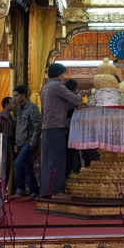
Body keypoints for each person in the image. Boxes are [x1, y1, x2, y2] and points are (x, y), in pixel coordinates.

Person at [40, 64, 88, 199]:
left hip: (48, 127)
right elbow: (74, 99)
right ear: (60, 73)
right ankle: (56, 192)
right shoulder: (57, 86)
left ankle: (46, 190)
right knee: (58, 159)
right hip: (56, 126)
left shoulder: (46, 87)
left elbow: (64, 105)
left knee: (48, 160)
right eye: (64, 74)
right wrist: (83, 93)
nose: (64, 77)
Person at [13, 85, 41, 199]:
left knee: (18, 163)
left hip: (28, 142)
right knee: (27, 166)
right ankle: (33, 191)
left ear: (23, 95)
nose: (15, 98)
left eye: (17, 95)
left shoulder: (32, 108)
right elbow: (19, 127)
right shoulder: (19, 109)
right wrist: (16, 143)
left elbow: (37, 126)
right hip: (21, 142)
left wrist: (33, 143)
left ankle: (20, 189)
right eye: (14, 96)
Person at [0, 97, 16, 193]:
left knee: (8, 166)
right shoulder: (0, 116)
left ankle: (3, 190)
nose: (14, 105)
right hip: (2, 143)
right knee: (1, 166)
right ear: (6, 105)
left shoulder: (11, 117)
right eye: (12, 103)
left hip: (9, 143)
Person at [65, 79, 79, 178]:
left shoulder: (65, 95)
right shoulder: (71, 97)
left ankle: (69, 174)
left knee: (69, 154)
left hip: (66, 129)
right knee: (72, 153)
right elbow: (75, 102)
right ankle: (73, 173)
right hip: (70, 129)